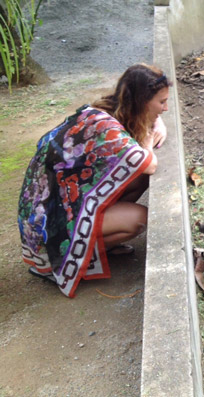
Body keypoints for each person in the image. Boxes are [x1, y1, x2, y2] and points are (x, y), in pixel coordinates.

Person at [17, 63, 171, 297]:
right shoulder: (106, 128)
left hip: (59, 204)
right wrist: (149, 141)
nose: (166, 108)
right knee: (140, 218)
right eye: (161, 102)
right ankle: (80, 253)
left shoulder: (106, 111)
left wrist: (157, 121)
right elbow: (149, 163)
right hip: (48, 233)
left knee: (137, 179)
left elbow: (144, 151)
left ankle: (95, 244)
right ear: (141, 101)